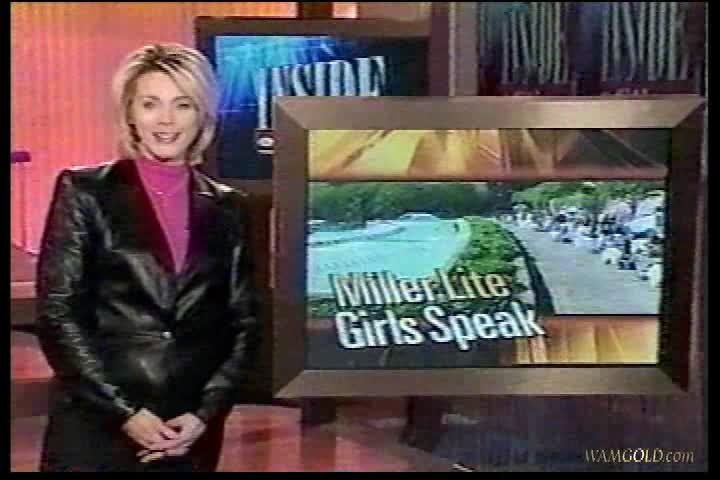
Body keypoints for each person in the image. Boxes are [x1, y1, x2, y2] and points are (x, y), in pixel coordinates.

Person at [35, 43, 259, 472]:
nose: (166, 120)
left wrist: (206, 413)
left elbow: (244, 322)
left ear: (202, 116)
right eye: (151, 104)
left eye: (182, 105)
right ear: (131, 113)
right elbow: (59, 314)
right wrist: (124, 412)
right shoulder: (85, 193)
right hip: (98, 421)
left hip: (186, 430)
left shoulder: (230, 207)